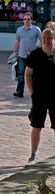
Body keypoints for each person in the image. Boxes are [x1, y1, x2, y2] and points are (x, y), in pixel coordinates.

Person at [24, 28, 55, 166]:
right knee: (36, 126)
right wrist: (32, 93)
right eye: (44, 38)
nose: (47, 41)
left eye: (49, 38)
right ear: (41, 39)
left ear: (53, 39)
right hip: (39, 96)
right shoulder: (35, 55)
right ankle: (33, 155)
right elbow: (27, 74)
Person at [13, 12, 42, 98]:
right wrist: (14, 53)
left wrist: (39, 51)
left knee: (33, 75)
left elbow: (42, 40)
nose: (26, 21)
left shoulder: (36, 29)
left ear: (31, 20)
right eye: (25, 19)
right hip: (22, 55)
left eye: (28, 19)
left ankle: (34, 92)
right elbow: (17, 42)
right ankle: (19, 92)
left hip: (32, 56)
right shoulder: (19, 30)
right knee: (21, 74)